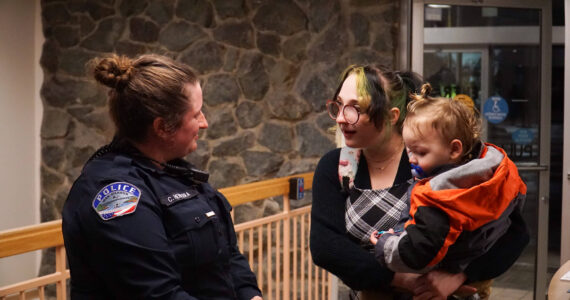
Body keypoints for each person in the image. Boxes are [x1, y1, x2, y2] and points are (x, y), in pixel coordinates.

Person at [309, 64, 530, 300]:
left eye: (355, 108)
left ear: (391, 115)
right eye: (339, 105)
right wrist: (404, 281)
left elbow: (513, 234)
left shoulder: (432, 158)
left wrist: (457, 276)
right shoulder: (339, 166)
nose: (342, 118)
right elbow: (326, 247)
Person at [62, 54, 263, 300]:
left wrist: (250, 294)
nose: (205, 123)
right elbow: (157, 293)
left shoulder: (174, 172)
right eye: (196, 114)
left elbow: (226, 254)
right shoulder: (116, 193)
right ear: (162, 127)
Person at [369, 83, 527, 298]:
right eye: (408, 150)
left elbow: (418, 252)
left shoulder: (440, 195)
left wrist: (387, 245)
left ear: (454, 149)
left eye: (420, 152)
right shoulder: (497, 172)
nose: (411, 158)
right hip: (475, 283)